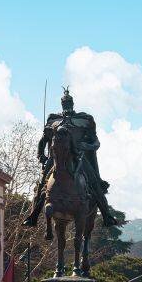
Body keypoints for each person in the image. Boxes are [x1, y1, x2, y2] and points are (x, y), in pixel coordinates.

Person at [23, 88, 117, 228]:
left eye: (68, 102)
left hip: (79, 157)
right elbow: (43, 141)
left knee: (95, 182)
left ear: (72, 103)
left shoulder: (85, 119)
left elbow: (96, 143)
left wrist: (86, 145)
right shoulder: (53, 119)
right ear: (62, 104)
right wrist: (41, 155)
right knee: (42, 184)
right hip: (55, 158)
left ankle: (106, 216)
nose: (66, 104)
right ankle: (33, 216)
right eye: (64, 102)